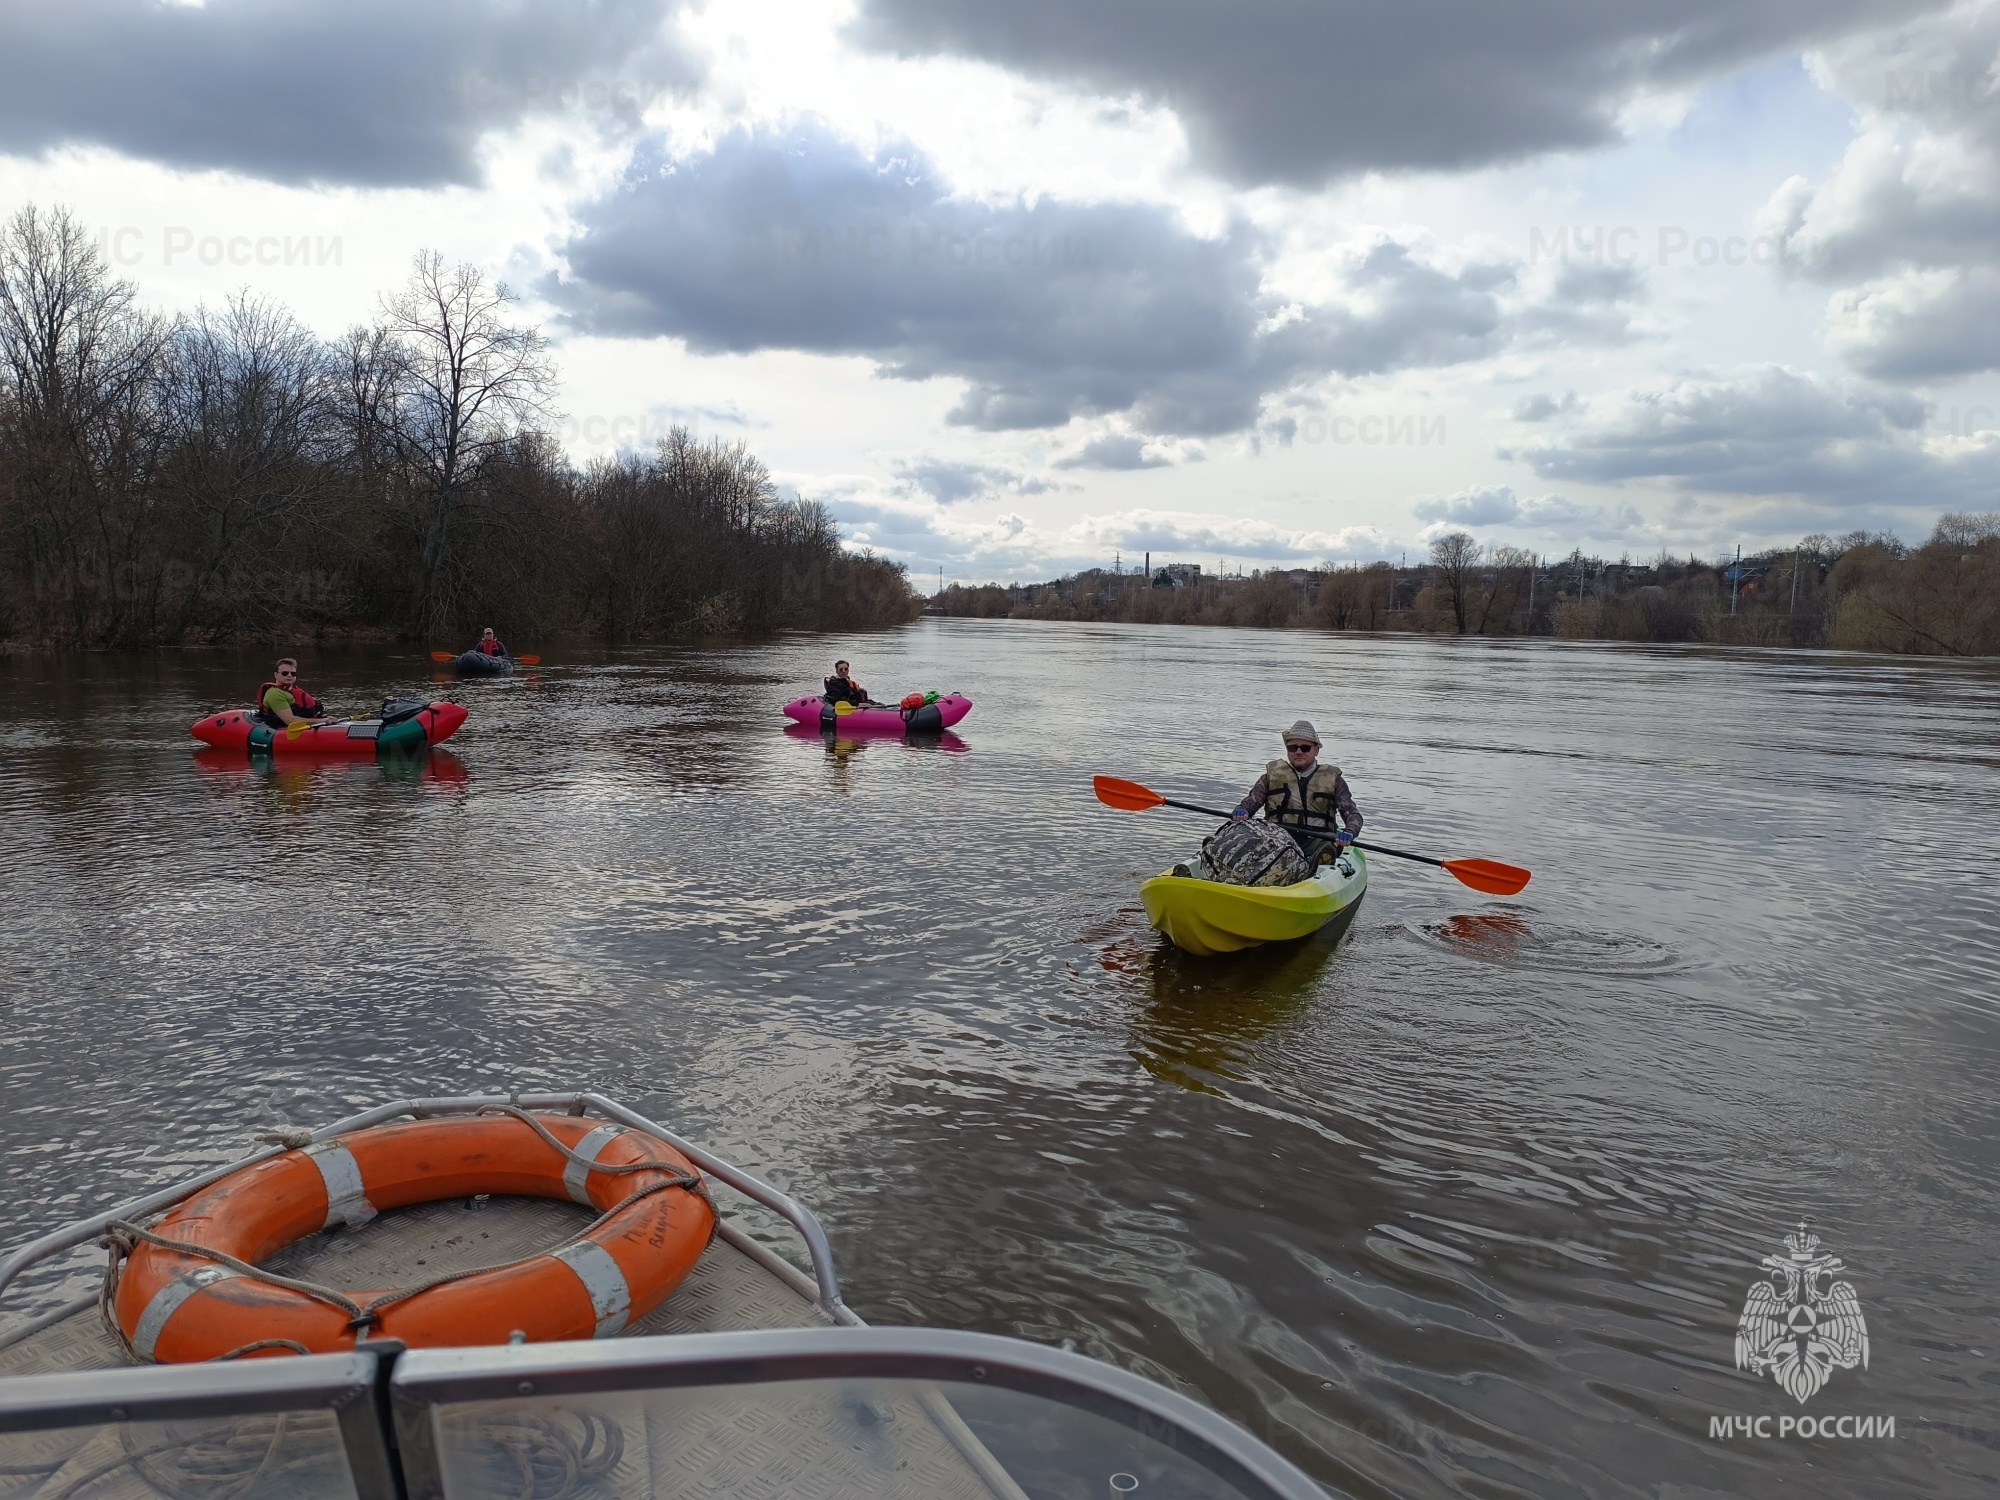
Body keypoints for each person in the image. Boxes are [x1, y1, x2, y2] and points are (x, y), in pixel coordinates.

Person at [1231, 719, 1362, 862]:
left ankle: (1318, 863)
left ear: (1316, 750)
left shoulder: (1333, 779)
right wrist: (1241, 810)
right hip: (1276, 839)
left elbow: (1353, 814)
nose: (1298, 752)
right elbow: (1251, 803)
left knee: (1328, 845)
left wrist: (1349, 832)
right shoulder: (1270, 777)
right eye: (1293, 748)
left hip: (1317, 840)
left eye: (1305, 748)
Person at [256, 658, 326, 728]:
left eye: (293, 673)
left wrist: (324, 718)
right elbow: (289, 721)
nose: (289, 675)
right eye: (285, 673)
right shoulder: (275, 693)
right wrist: (323, 721)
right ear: (276, 675)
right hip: (281, 729)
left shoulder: (294, 690)